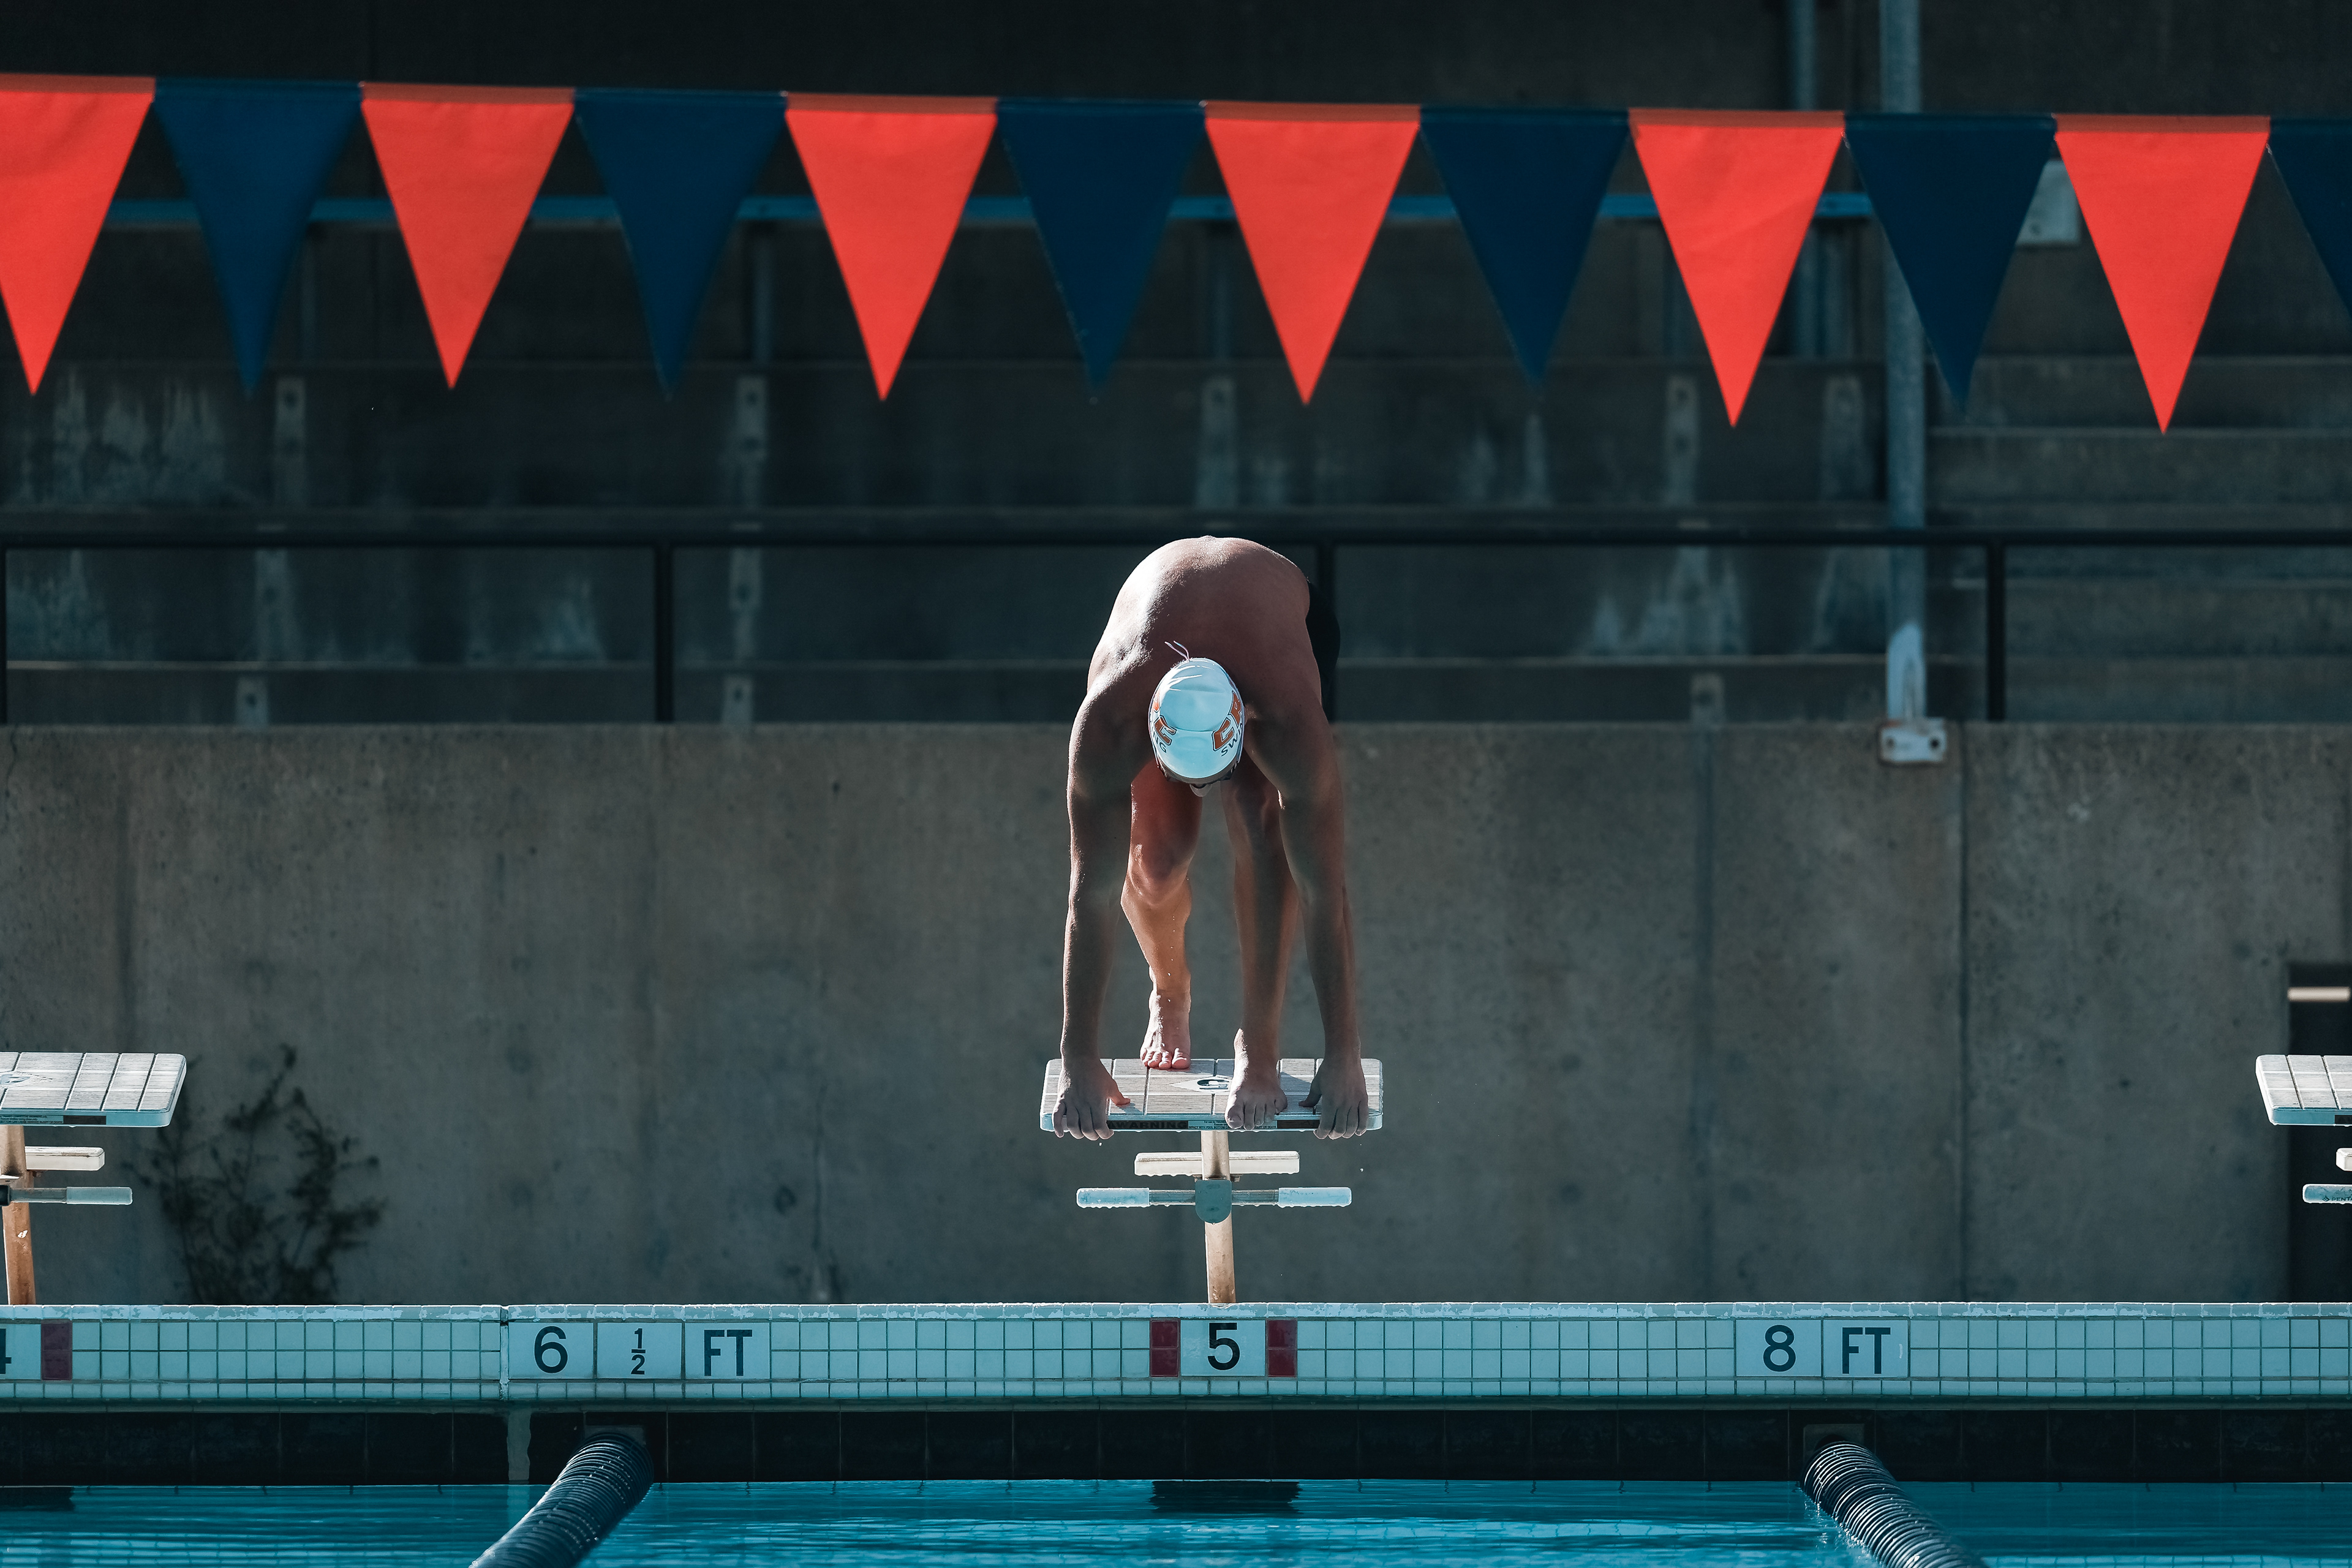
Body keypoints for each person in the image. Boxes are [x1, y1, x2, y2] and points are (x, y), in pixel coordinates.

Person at [1050, 537, 1371, 1140]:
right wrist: (1077, 1056)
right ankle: (1169, 991)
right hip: (1154, 633)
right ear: (1151, 730)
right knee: (1155, 864)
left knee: (1260, 817)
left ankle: (1260, 1048)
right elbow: (1089, 895)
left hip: (1277, 621)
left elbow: (1324, 891)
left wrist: (1344, 1053)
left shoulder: (1285, 716)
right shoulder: (1110, 716)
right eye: (1185, 777)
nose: (1202, 791)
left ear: (1244, 722)